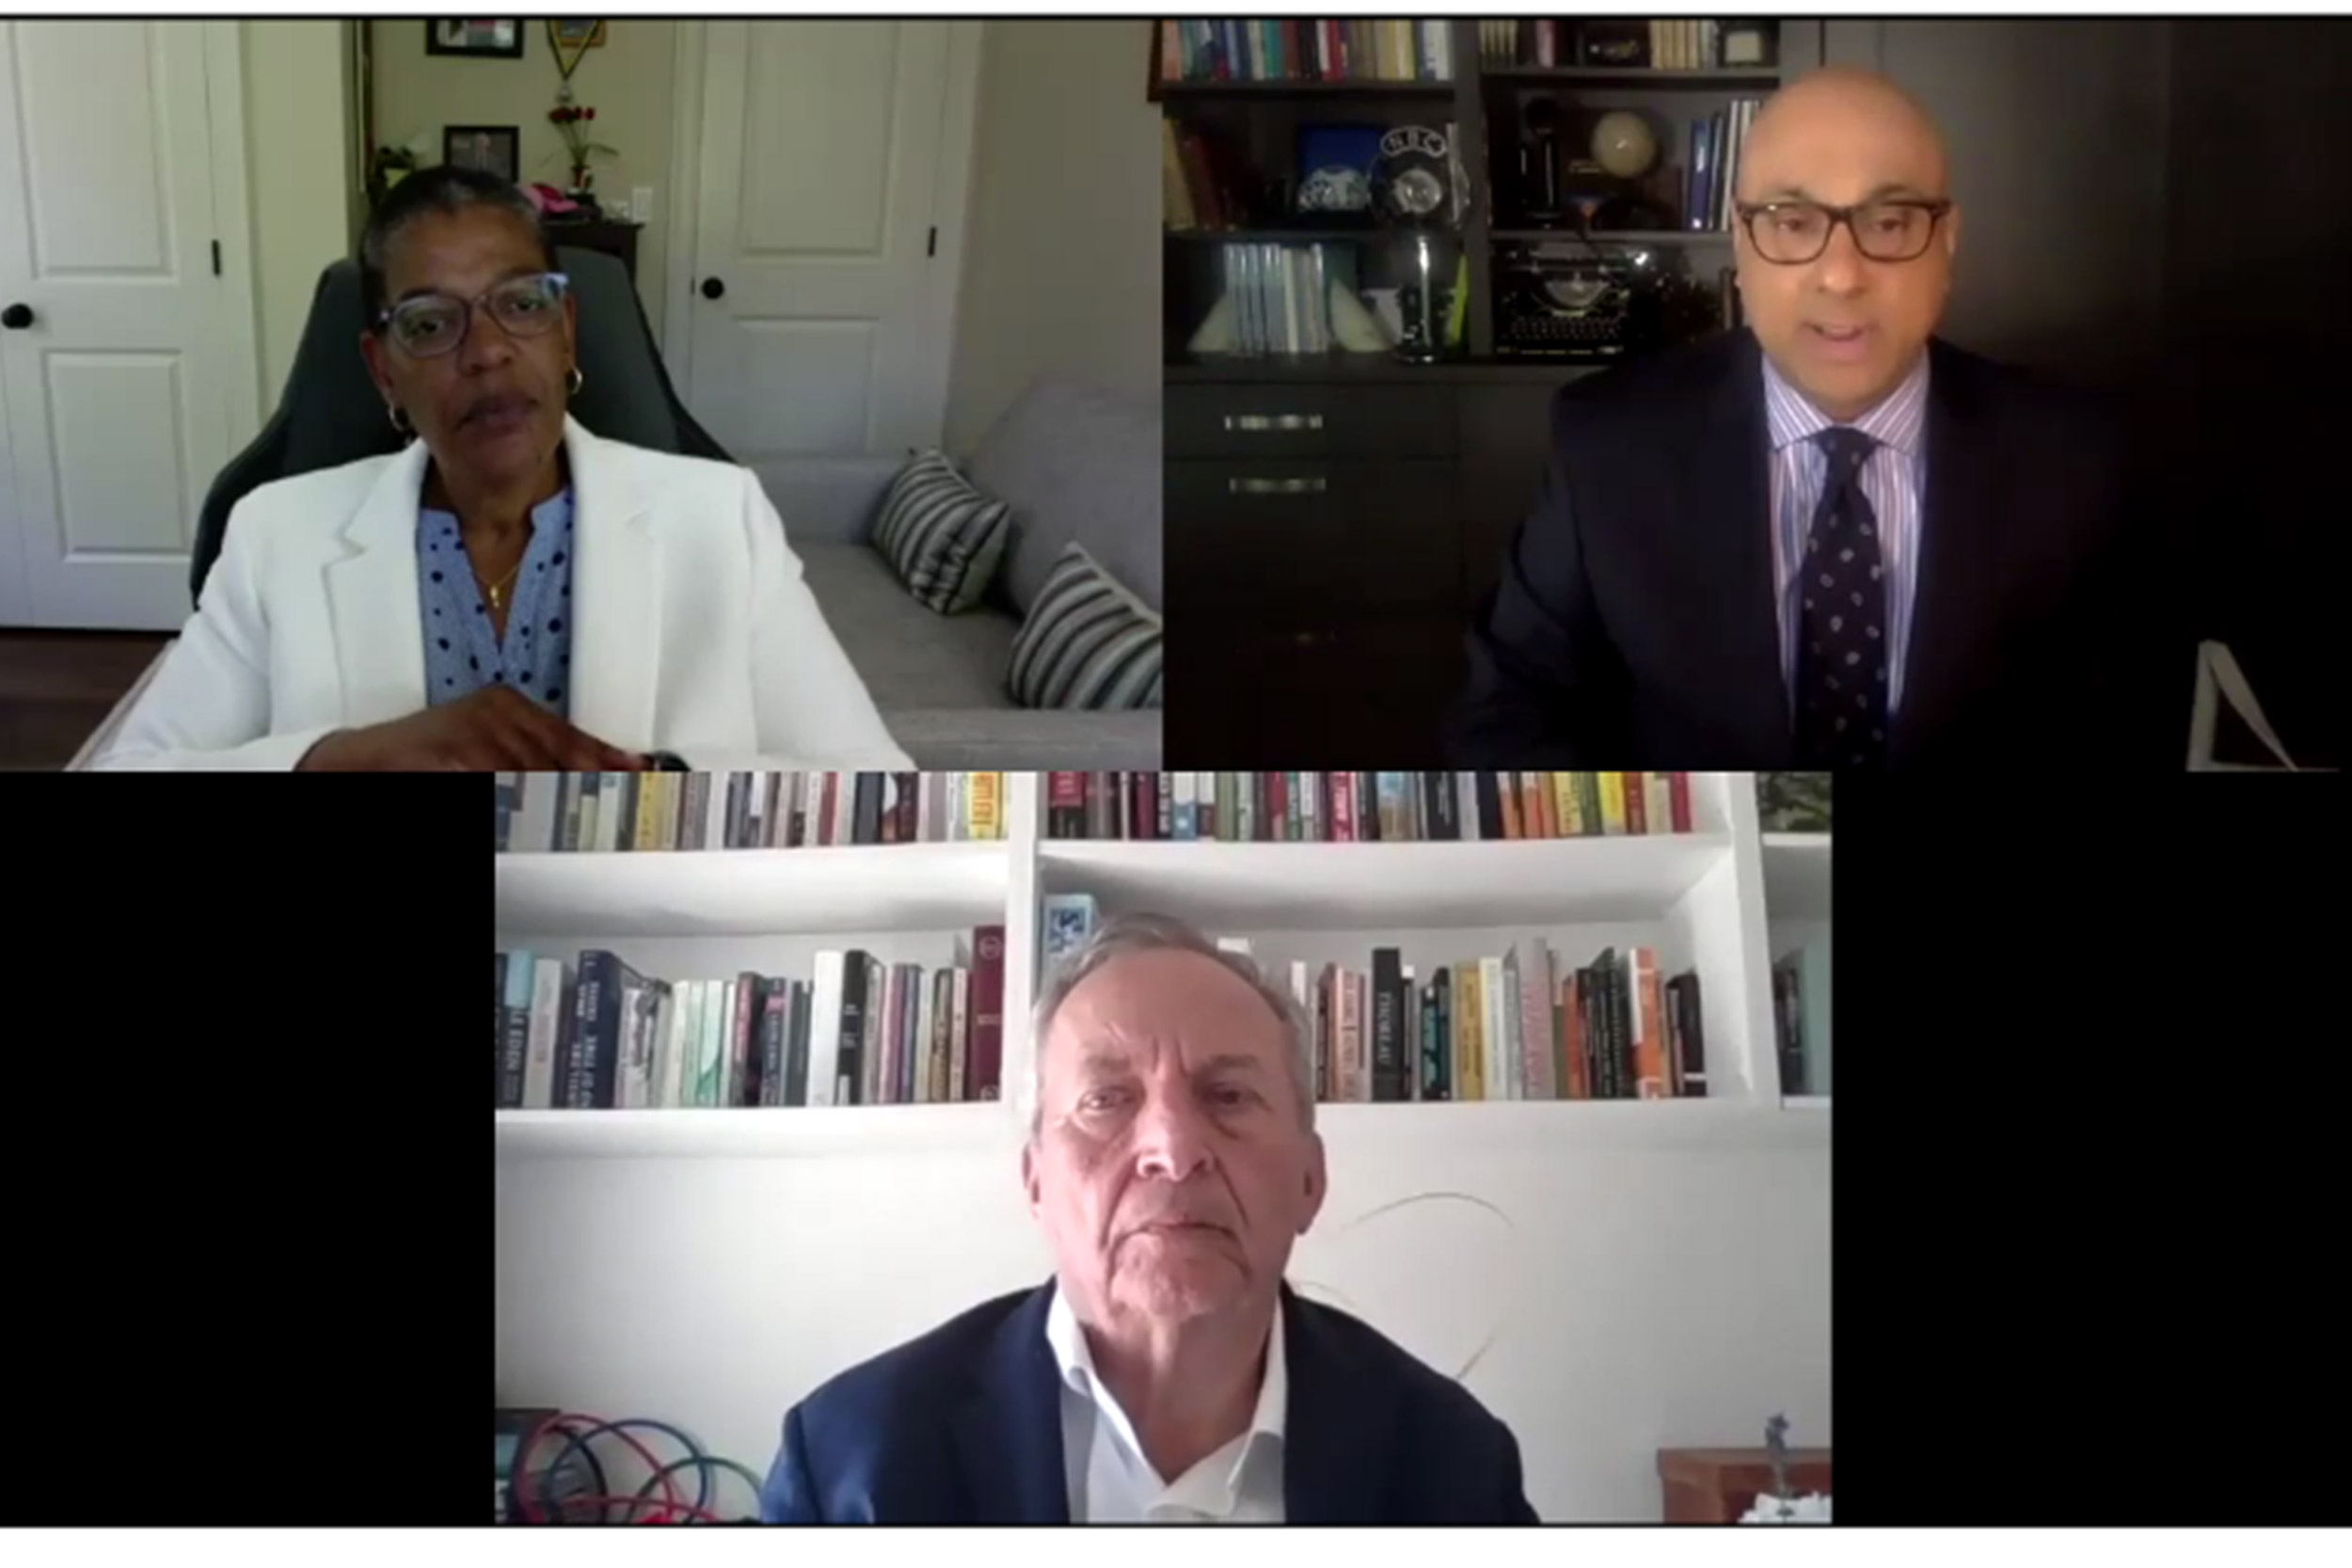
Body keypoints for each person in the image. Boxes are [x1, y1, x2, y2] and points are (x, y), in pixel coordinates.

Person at [1450, 68, 2173, 768]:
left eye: (1889, 222)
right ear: (1740, 243)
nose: (1841, 275)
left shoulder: (2072, 459)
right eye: (1792, 223)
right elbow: (1508, 711)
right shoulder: (1606, 444)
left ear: (1947, 245)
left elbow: (2125, 726)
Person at [89, 166, 909, 771]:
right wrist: (344, 758)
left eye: (522, 305)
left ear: (567, 332)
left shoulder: (718, 517)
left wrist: (650, 791)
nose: (486, 352)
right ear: (383, 370)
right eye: (430, 322)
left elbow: (876, 786)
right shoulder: (278, 531)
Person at [760, 913, 1539, 1524]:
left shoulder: (1455, 1464)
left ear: (1311, 1176)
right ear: (1035, 1182)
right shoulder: (848, 1462)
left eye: (1228, 1096)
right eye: (1106, 1100)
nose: (1172, 1150)